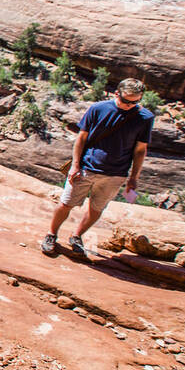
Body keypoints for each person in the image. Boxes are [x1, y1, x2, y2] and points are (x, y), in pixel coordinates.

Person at [43, 77, 154, 258]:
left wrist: (134, 177)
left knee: (96, 209)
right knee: (65, 204)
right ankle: (51, 234)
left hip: (116, 173)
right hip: (87, 167)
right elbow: (81, 138)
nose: (129, 105)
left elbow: (140, 150)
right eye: (125, 101)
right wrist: (75, 165)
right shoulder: (98, 109)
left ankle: (76, 236)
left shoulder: (145, 118)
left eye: (135, 102)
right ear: (116, 93)